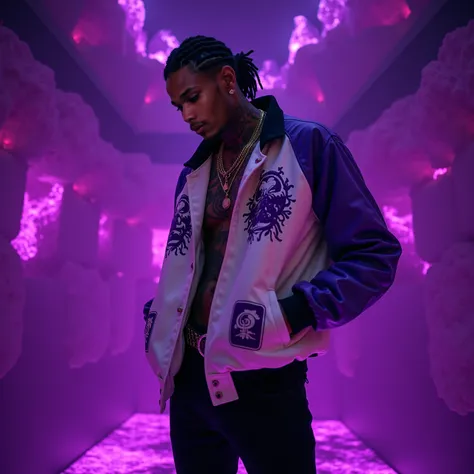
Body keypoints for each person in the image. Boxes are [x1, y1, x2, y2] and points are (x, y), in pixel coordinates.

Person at [143, 35, 402, 474]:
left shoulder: (310, 146)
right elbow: (188, 264)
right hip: (187, 383)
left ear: (227, 80)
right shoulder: (192, 173)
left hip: (265, 383)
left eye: (192, 97)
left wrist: (297, 312)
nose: (186, 115)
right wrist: (158, 318)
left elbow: (375, 254)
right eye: (178, 106)